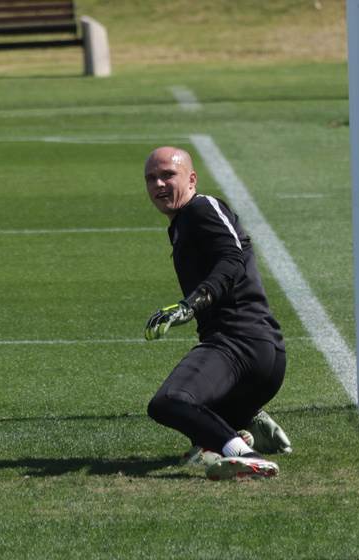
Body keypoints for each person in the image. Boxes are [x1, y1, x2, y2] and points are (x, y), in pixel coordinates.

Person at [142, 146, 292, 481]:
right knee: (201, 436)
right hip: (262, 359)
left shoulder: (201, 207)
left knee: (168, 403)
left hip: (240, 343)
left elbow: (232, 259)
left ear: (192, 178)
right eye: (151, 178)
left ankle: (246, 453)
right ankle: (248, 422)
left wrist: (189, 305)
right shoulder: (182, 223)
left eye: (168, 175)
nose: (159, 184)